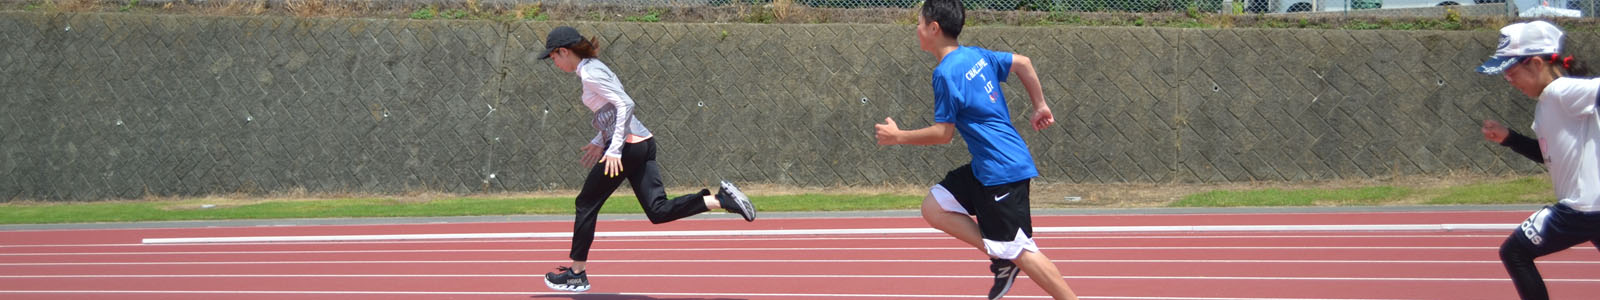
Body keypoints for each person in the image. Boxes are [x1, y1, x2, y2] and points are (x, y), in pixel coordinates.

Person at [873, 1, 1077, 299]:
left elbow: (943, 134)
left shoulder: (945, 74)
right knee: (934, 206)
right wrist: (1040, 105)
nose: (915, 29)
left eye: (918, 23)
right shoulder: (976, 55)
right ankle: (999, 254)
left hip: (1002, 170)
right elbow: (1023, 62)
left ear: (934, 28)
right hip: (988, 167)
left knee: (1022, 251)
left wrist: (898, 136)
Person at [537, 26, 756, 293]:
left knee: (586, 203)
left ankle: (576, 274)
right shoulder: (595, 67)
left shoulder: (591, 74)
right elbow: (611, 111)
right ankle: (721, 199)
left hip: (627, 149)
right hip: (642, 144)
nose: (555, 63)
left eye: (554, 58)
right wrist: (599, 141)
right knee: (657, 211)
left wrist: (614, 149)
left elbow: (625, 105)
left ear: (563, 51)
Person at [1476, 20, 1600, 300]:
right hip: (1591, 208)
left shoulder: (1561, 92)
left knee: (1515, 252)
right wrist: (1509, 138)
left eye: (1510, 72)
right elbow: (1549, 158)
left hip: (1583, 209)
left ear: (1535, 63)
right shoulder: (1549, 102)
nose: (1509, 81)